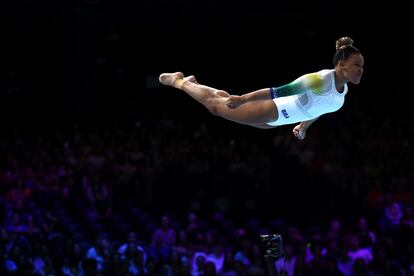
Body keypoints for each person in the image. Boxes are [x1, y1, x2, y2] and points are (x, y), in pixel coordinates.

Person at [159, 37, 364, 140]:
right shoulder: (318, 80)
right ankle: (180, 82)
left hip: (275, 121)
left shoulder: (342, 92)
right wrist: (243, 99)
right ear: (341, 64)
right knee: (216, 107)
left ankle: (195, 84)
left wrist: (303, 127)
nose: (360, 70)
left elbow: (318, 108)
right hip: (270, 108)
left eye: (362, 66)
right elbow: (277, 91)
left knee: (224, 102)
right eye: (357, 65)